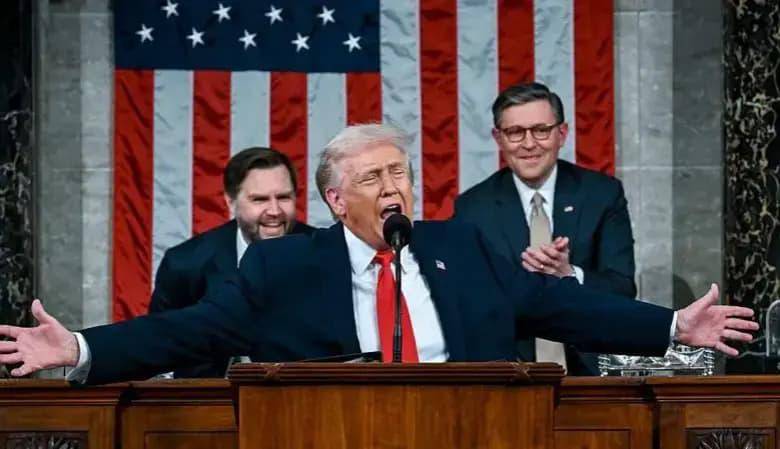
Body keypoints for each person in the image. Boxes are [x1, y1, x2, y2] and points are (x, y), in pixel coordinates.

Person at [0, 124, 758, 385]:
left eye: (401, 173)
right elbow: (185, 331)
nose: (394, 187)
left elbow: (566, 306)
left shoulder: (465, 247)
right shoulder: (282, 266)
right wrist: (77, 347)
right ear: (337, 200)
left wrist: (669, 327)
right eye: (374, 177)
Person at [455, 82, 634, 375]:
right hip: (507, 373)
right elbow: (467, 303)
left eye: (541, 130)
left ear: (561, 134)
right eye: (515, 132)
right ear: (498, 138)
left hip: (591, 373)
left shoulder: (601, 195)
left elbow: (622, 288)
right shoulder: (473, 208)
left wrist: (569, 275)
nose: (528, 144)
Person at [149, 146, 316, 377]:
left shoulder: (323, 252)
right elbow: (159, 344)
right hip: (209, 400)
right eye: (259, 199)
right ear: (230, 202)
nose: (275, 210)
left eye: (284, 197)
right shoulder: (185, 263)